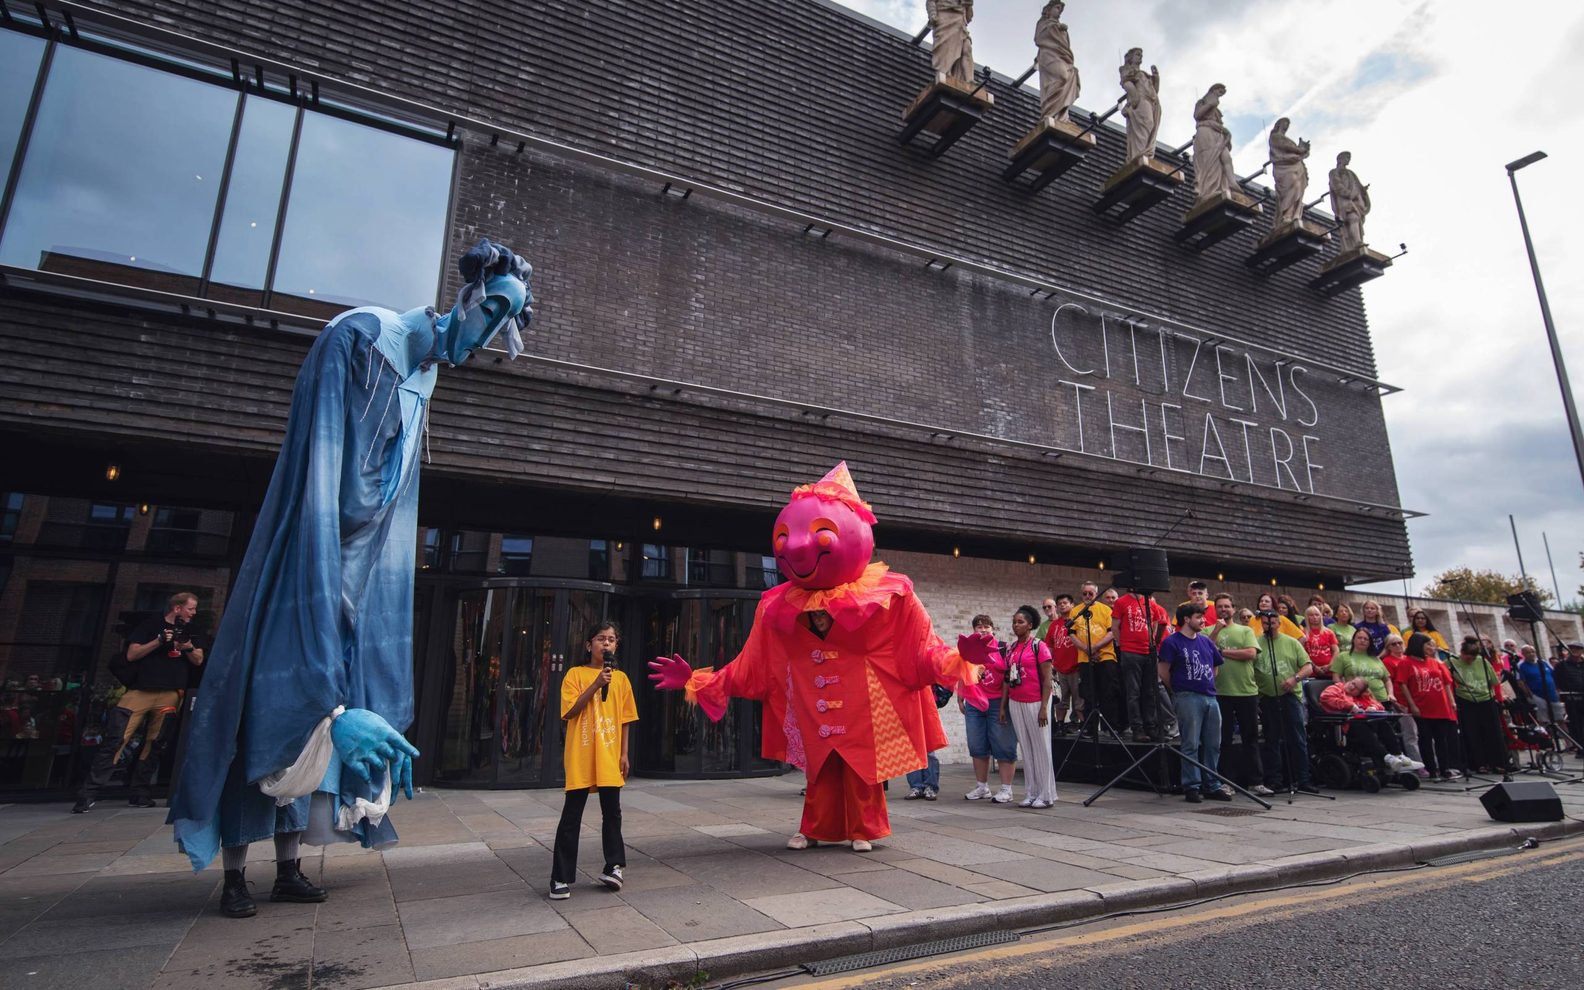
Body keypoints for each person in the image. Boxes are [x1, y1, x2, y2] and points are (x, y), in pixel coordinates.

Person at [167, 241, 533, 918]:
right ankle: (235, 878)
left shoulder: (421, 380)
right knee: (267, 734)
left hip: (355, 585)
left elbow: (385, 507)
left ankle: (288, 868)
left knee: (314, 757)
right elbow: (323, 482)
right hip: (312, 574)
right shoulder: (361, 336)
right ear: (469, 294)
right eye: (493, 312)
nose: (484, 337)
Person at [649, 463, 986, 852]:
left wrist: (960, 661)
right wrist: (700, 680)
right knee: (820, 770)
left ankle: (865, 828)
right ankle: (814, 828)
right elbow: (752, 664)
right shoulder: (777, 606)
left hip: (866, 703)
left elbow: (922, 647)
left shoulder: (890, 596)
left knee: (862, 768)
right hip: (811, 703)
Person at [75, 592, 206, 813]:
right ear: (177, 608)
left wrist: (188, 647)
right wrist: (159, 641)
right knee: (117, 738)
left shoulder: (192, 631)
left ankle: (140, 792)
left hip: (171, 693)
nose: (193, 613)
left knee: (155, 743)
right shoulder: (151, 625)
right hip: (140, 690)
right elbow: (131, 655)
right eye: (190, 608)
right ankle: (88, 793)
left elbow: (199, 659)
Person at [550, 621, 638, 900]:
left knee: (612, 812)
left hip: (610, 755)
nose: (607, 644)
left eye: (612, 639)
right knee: (571, 816)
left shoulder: (621, 679)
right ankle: (560, 877)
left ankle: (614, 866)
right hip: (581, 754)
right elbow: (570, 711)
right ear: (589, 645)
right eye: (601, 639)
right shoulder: (575, 674)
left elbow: (626, 719)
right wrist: (596, 683)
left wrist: (624, 753)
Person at [1157, 603, 1228, 803]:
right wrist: (1178, 689)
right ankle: (1191, 785)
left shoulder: (1206, 642)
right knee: (1191, 743)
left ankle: (1212, 784)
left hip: (1209, 696)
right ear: (1186, 619)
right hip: (1187, 696)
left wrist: (1208, 683)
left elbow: (1215, 667)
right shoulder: (1172, 642)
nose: (1203, 621)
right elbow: (1163, 671)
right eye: (1198, 617)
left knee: (1213, 743)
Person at [1254, 608, 1318, 793]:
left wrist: (1295, 678)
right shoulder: (1257, 644)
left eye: (1273, 622)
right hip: (1268, 697)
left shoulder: (1291, 643)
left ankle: (1303, 778)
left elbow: (1308, 667)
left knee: (1297, 738)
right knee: (1272, 739)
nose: (1269, 625)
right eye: (1266, 622)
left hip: (1290, 697)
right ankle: (1275, 779)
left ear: (1279, 623)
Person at [1003, 605, 1058, 808]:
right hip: (1016, 701)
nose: (1016, 625)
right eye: (1014, 622)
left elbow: (1047, 680)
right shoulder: (1011, 648)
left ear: (1030, 625)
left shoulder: (1039, 646)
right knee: (1026, 748)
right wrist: (1003, 707)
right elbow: (1007, 679)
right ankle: (1031, 792)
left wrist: (1044, 707)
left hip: (1037, 702)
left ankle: (1046, 794)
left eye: (1020, 622)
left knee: (1041, 748)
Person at [1211, 606, 1268, 795]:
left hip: (1246, 691)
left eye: (1227, 606)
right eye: (1220, 606)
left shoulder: (1246, 630)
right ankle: (1226, 781)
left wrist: (1223, 652)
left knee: (1250, 737)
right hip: (1221, 691)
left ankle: (1256, 782)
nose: (1224, 609)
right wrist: (1216, 631)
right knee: (1224, 739)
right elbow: (1206, 651)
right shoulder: (1207, 630)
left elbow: (1250, 654)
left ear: (1233, 609)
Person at [961, 615, 1018, 803]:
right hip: (975, 702)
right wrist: (961, 698)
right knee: (977, 745)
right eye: (978, 627)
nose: (982, 630)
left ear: (992, 628)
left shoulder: (1003, 648)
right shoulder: (968, 649)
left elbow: (1010, 676)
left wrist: (1005, 704)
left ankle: (1006, 789)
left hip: (997, 702)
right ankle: (981, 787)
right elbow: (961, 672)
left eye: (986, 626)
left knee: (1003, 745)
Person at [1317, 677, 1422, 776]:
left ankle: (1398, 755)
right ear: (1349, 681)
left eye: (1356, 688)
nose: (1352, 687)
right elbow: (1326, 698)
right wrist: (1350, 705)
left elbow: (1379, 705)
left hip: (1363, 724)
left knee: (1383, 723)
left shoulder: (1361, 696)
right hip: (1344, 725)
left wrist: (1373, 707)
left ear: (1359, 692)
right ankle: (1387, 757)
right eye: (1352, 683)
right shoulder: (1336, 688)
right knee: (1361, 726)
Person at [1397, 634, 1461, 781]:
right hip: (1422, 705)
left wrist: (1451, 701)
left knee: (1441, 739)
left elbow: (1446, 682)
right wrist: (1411, 704)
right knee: (1425, 739)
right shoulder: (1406, 662)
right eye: (1428, 645)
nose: (1432, 648)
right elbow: (1403, 684)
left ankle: (1445, 768)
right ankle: (1431, 770)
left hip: (1440, 705)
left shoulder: (1435, 662)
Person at [1448, 636, 1514, 774]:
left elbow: (1494, 682)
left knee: (1493, 732)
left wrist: (1499, 698)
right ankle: (1479, 763)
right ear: (1462, 653)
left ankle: (1499, 762)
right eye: (1467, 658)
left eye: (1473, 658)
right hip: (1465, 700)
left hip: (1486, 699)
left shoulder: (1482, 661)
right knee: (1472, 733)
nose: (1470, 660)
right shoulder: (1452, 662)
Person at [1112, 588, 1170, 741]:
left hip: (1148, 651)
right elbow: (1115, 626)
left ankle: (1150, 726)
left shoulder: (1150, 602)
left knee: (1150, 691)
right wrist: (1122, 645)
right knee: (1133, 692)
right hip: (1130, 651)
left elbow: (1157, 621)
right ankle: (1137, 728)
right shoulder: (1121, 601)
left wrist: (1153, 640)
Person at [1070, 581, 1120, 732]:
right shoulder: (1075, 611)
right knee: (1088, 694)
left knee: (1108, 693)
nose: (1087, 596)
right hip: (1085, 658)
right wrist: (1086, 649)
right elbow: (1071, 634)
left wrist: (1096, 647)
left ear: (1096, 594)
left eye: (1090, 593)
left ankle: (1110, 727)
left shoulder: (1105, 610)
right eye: (1084, 593)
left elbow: (1112, 632)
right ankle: (1090, 728)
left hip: (1106, 657)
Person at [1378, 634, 1423, 768]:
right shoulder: (1387, 661)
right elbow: (1389, 682)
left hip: (1417, 700)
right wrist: (1395, 703)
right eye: (1394, 644)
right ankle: (1419, 764)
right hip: (1401, 701)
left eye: (1400, 643)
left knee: (1423, 734)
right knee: (1411, 734)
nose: (1398, 646)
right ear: (1388, 647)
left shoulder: (1409, 659)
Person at [905, 681, 952, 801]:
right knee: (912, 748)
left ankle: (930, 786)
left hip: (926, 704)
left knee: (929, 748)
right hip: (909, 703)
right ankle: (916, 786)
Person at [1043, 594, 1082, 734]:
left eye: (1065, 603)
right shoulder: (1054, 625)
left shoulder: (1079, 621)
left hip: (1077, 667)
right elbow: (1050, 647)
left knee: (1079, 701)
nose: (1062, 605)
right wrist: (1050, 665)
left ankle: (1081, 726)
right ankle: (1060, 725)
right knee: (1061, 700)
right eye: (1059, 603)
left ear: (1072, 605)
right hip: (1059, 668)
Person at [1191, 83, 1235, 204]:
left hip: (1217, 134)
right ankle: (1209, 190)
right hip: (1206, 132)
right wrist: (1210, 104)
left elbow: (1218, 124)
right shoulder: (1202, 102)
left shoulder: (1216, 110)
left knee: (1224, 160)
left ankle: (1228, 185)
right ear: (1213, 90)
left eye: (1221, 94)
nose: (1219, 95)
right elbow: (1197, 115)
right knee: (1210, 161)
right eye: (1219, 92)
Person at [1118, 48, 1161, 163]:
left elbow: (1154, 90)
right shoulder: (1127, 70)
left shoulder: (1144, 74)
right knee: (1145, 123)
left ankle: (1144, 153)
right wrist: (1135, 97)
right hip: (1141, 100)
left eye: (1141, 55)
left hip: (1151, 102)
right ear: (1130, 58)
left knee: (1150, 125)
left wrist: (1156, 78)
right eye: (1137, 54)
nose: (1140, 56)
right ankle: (1140, 153)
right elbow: (1125, 82)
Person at [926, 0, 975, 85]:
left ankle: (969, 80)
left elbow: (968, 17)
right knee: (945, 48)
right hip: (944, 17)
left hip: (960, 21)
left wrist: (969, 4)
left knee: (967, 48)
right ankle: (945, 72)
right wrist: (932, 14)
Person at [1515, 645, 1566, 727]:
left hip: (1552, 694)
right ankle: (1547, 738)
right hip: (1537, 695)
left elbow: (1554, 675)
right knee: (1543, 720)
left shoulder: (1543, 662)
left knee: (1560, 718)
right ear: (1523, 654)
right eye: (1528, 652)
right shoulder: (1521, 665)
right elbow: (1520, 682)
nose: (1531, 654)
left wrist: (1558, 689)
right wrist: (1529, 694)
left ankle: (1565, 738)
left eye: (1532, 652)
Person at [1557, 643, 1584, 755]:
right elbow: (1557, 683)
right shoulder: (1562, 665)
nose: (1575, 650)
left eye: (1578, 649)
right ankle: (1580, 748)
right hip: (1572, 698)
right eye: (1572, 648)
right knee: (1576, 724)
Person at [1300, 606, 1339, 677]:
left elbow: (1336, 650)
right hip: (1310, 671)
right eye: (1311, 615)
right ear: (1307, 617)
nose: (1314, 617)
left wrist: (1330, 665)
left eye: (1317, 615)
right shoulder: (1302, 633)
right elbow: (1301, 653)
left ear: (1321, 616)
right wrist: (1314, 667)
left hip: (1329, 671)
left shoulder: (1329, 632)